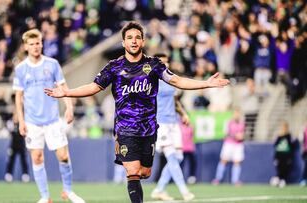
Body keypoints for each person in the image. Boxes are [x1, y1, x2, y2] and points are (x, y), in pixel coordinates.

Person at [44, 21, 229, 203]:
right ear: (124, 42)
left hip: (148, 129)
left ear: (143, 41)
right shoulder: (114, 67)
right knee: (132, 172)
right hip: (125, 129)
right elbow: (94, 87)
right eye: (130, 38)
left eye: (137, 37)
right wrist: (67, 92)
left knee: (144, 173)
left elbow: (177, 81)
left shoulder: (154, 65)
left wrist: (206, 83)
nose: (134, 41)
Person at [13, 29, 85, 203]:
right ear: (25, 46)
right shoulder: (21, 69)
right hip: (32, 122)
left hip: (52, 120)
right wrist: (21, 121)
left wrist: (69, 108)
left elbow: (63, 87)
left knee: (63, 155)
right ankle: (45, 197)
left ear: (41, 43)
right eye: (31, 44)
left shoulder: (52, 64)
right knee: (37, 158)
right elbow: (19, 96)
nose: (36, 47)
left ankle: (67, 191)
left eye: (38, 43)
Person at [150, 53, 194, 201]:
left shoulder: (169, 80)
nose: (166, 64)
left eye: (167, 62)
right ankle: (185, 192)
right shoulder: (151, 81)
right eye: (162, 62)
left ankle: (159, 189)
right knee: (171, 156)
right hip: (161, 123)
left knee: (179, 157)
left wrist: (183, 114)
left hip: (173, 122)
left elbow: (175, 100)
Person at [212, 108, 245, 186]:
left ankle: (235, 180)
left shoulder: (242, 123)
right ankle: (217, 179)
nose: (237, 115)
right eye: (235, 113)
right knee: (223, 160)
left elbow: (243, 135)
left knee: (237, 162)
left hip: (238, 145)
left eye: (238, 114)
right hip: (229, 144)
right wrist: (234, 136)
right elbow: (225, 134)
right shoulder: (228, 123)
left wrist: (241, 137)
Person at [4, 94, 30, 183]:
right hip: (13, 144)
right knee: (11, 160)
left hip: (22, 144)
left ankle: (25, 175)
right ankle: (8, 174)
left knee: (24, 160)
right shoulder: (10, 123)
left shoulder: (23, 123)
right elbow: (9, 130)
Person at [270, 121, 294, 188]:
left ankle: (282, 180)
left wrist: (290, 156)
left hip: (286, 155)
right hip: (279, 155)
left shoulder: (289, 136)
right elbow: (275, 145)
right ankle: (278, 179)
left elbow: (291, 146)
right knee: (279, 168)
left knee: (285, 168)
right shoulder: (279, 136)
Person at [300, 121, 307, 186]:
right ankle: (304, 180)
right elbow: (304, 141)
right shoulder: (305, 130)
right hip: (306, 151)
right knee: (305, 166)